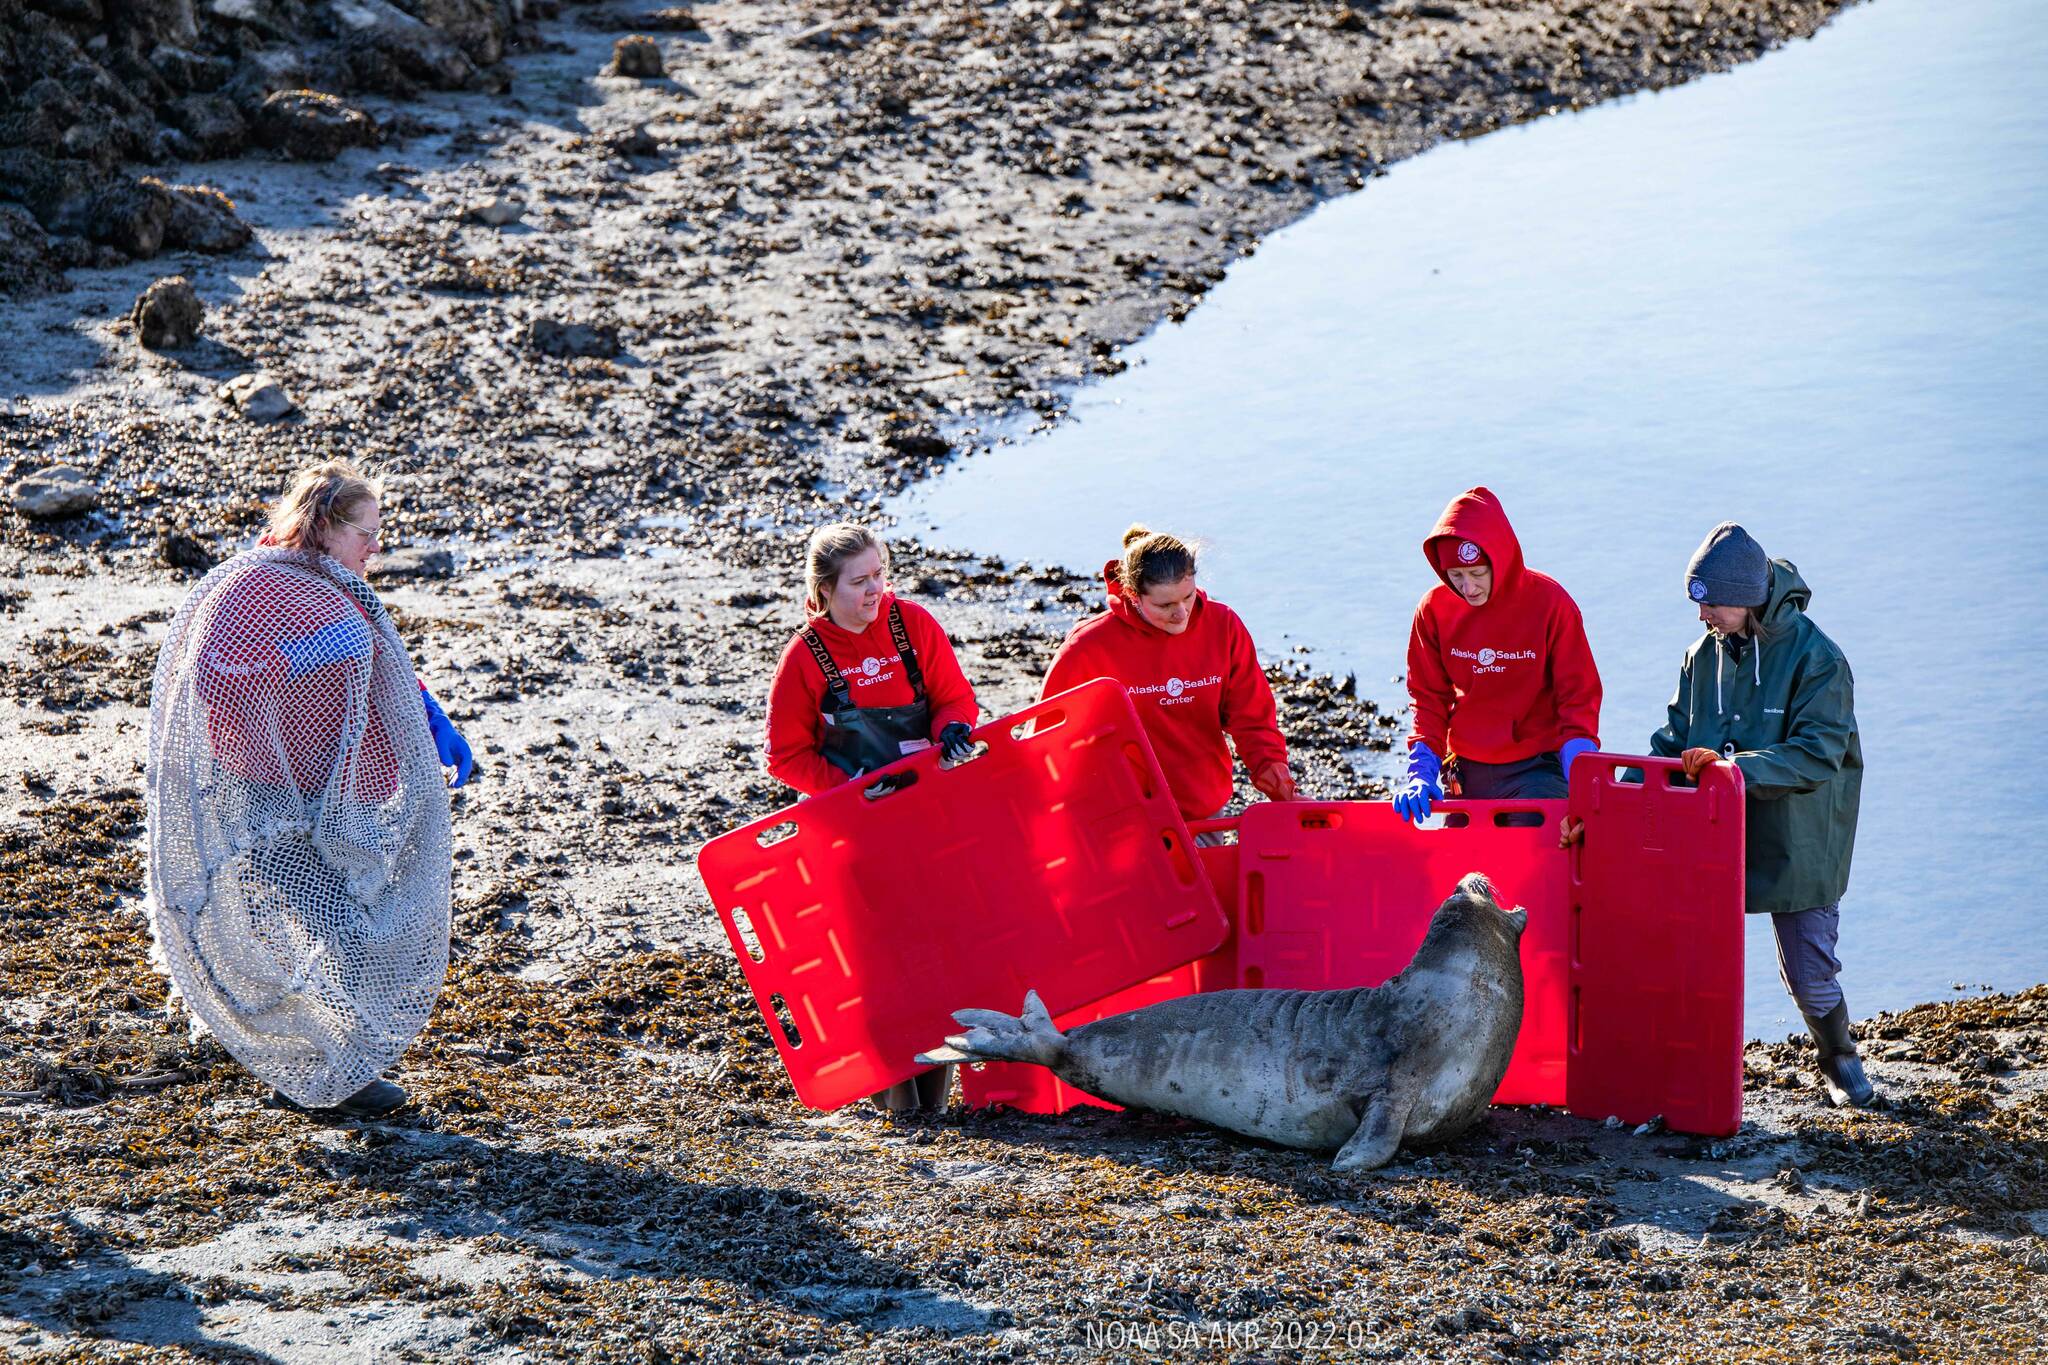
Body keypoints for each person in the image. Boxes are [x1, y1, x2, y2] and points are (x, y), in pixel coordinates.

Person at [148, 461, 472, 1121]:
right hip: (264, 799)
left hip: (331, 794)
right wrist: (296, 661)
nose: (377, 546)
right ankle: (327, 1071)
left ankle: (336, 1057)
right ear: (324, 526)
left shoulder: (338, 587)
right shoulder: (253, 587)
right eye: (366, 531)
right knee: (338, 928)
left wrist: (429, 718)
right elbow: (215, 671)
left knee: (352, 921)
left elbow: (376, 665)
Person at [1564, 523, 1872, 1108]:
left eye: (1711, 604)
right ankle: (1681, 1062)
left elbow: (1817, 753)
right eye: (1696, 602)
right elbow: (1670, 742)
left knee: (1808, 973)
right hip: (1710, 835)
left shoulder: (1819, 659)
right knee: (1679, 958)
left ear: (1748, 597)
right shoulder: (1701, 655)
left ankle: (1839, 1059)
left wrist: (1729, 769)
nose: (1701, 616)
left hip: (1798, 837)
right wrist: (1607, 809)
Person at [763, 522, 980, 1113]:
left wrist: (953, 730)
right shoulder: (806, 656)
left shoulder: (913, 625)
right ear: (824, 591)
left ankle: (935, 1105)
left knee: (942, 953)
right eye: (859, 582)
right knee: (880, 967)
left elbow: (954, 698)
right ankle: (897, 1106)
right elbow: (785, 756)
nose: (875, 591)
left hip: (927, 818)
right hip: (853, 834)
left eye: (881, 574)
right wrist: (849, 787)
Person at [1042, 525, 1296, 834]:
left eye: (1187, 597)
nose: (1181, 614)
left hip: (1203, 813)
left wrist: (1284, 792)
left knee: (1210, 884)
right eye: (1165, 605)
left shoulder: (1222, 626)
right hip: (1122, 819)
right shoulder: (1088, 648)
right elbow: (1046, 738)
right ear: (1133, 595)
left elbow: (1253, 720)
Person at [1394, 487, 1602, 822]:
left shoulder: (1551, 604)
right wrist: (1421, 770)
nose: (1468, 587)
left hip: (1537, 769)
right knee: (1464, 873)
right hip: (1467, 770)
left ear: (1500, 561)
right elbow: (1428, 698)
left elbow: (1578, 695)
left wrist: (1580, 764)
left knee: (1532, 860)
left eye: (1478, 574)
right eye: (1456, 576)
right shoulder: (1434, 610)